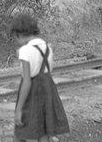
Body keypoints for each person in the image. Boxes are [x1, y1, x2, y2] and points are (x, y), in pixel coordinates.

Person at [11, 13, 69, 142]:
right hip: (47, 91)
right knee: (43, 129)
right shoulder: (47, 47)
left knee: (23, 129)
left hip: (32, 93)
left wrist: (19, 109)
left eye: (15, 38)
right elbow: (48, 70)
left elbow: (27, 81)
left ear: (19, 34)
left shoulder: (25, 50)